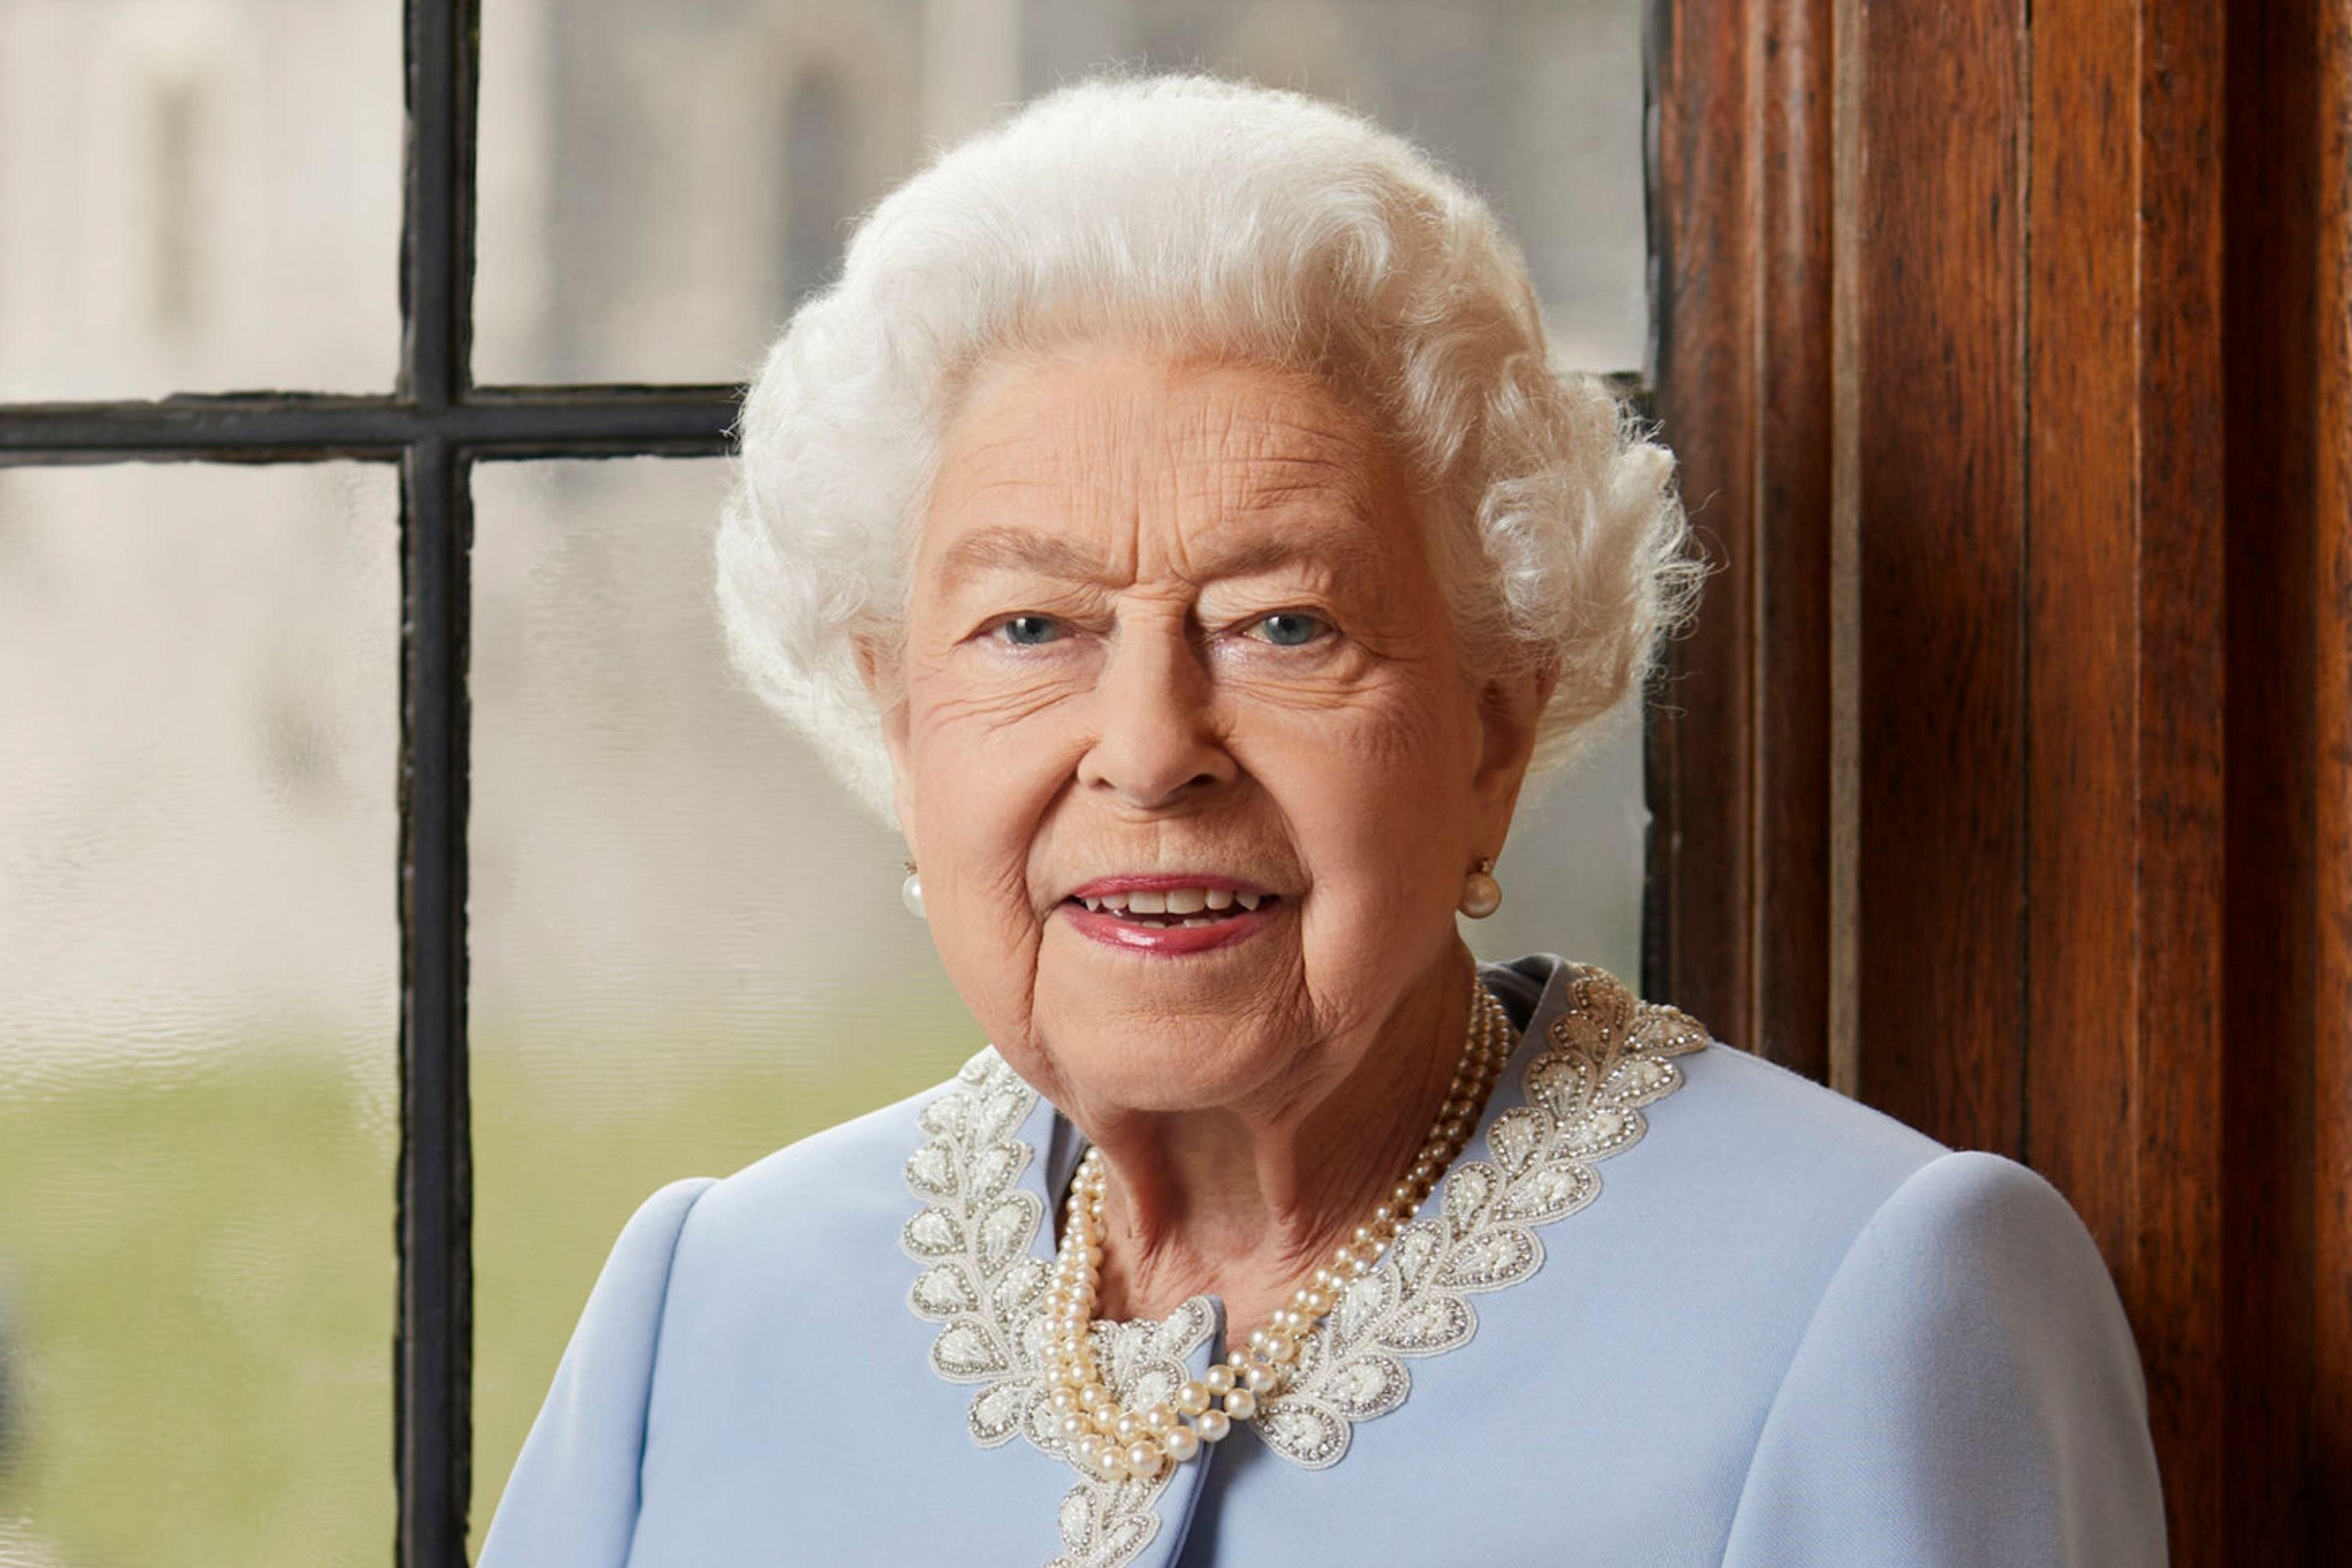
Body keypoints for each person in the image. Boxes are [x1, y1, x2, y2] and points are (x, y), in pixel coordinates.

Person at [477, 74, 2165, 1567]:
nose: (1149, 750)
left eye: (1283, 624)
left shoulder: (1877, 1299)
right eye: (1030, 628)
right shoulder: (703, 1310)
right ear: (904, 723)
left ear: (1495, 731)